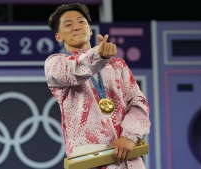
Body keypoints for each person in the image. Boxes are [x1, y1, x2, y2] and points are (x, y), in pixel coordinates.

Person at [44, 3, 151, 169]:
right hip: (88, 162)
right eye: (68, 24)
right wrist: (98, 54)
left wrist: (129, 136)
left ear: (90, 30)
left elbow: (138, 102)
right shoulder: (55, 64)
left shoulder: (117, 65)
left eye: (81, 22)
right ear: (59, 36)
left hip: (128, 161)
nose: (77, 27)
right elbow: (76, 69)